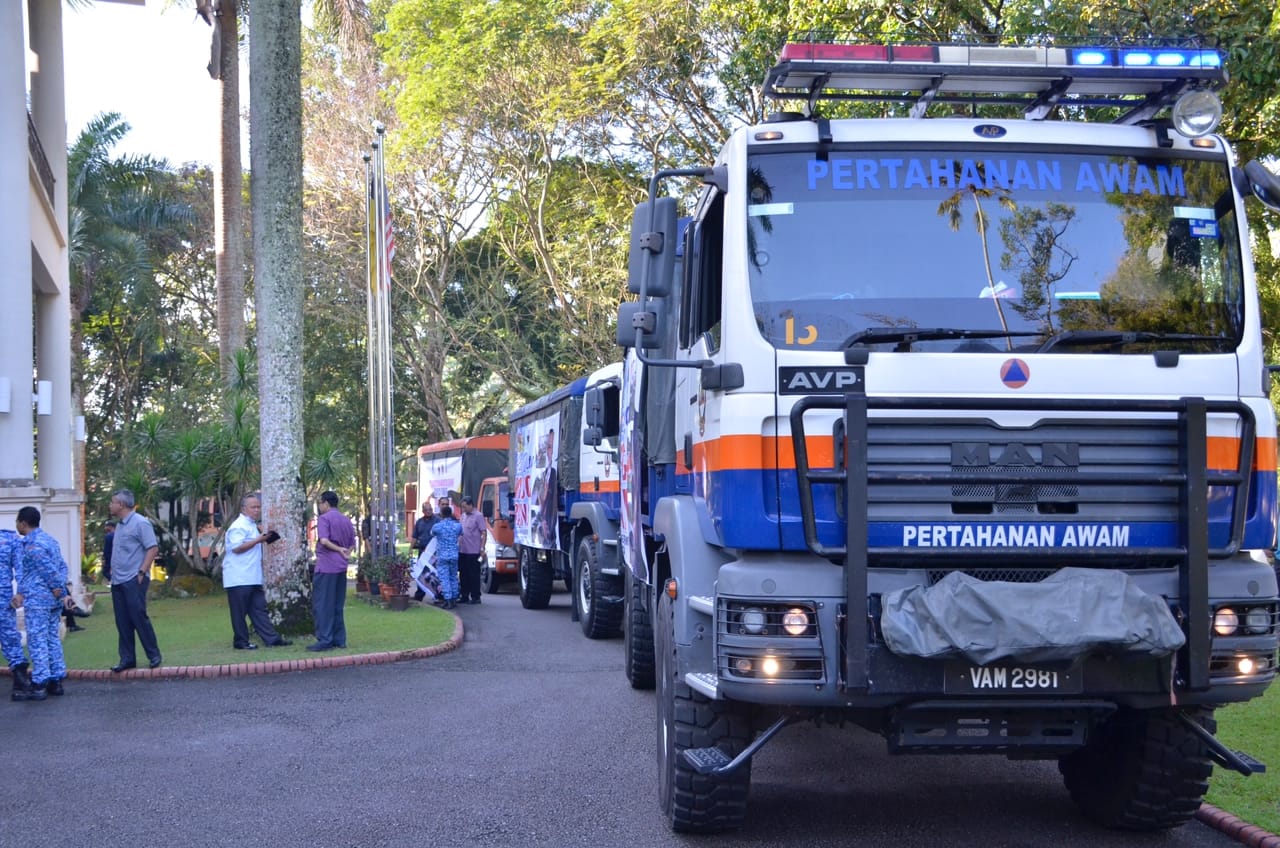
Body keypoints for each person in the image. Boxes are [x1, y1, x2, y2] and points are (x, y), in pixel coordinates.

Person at [221, 494, 292, 650]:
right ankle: (241, 642)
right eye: (253, 507)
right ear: (243, 509)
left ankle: (271, 639)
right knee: (239, 612)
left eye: (258, 507)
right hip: (238, 577)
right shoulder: (238, 526)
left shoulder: (252, 525)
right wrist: (258, 540)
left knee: (259, 609)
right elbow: (236, 548)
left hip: (252, 576)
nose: (257, 510)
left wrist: (264, 535)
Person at [15, 506, 68, 698]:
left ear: (23, 523)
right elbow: (62, 566)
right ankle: (56, 680)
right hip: (52, 601)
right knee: (52, 638)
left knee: (37, 640)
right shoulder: (50, 540)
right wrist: (60, 590)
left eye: (17, 522)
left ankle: (40, 683)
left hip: (38, 600)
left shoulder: (32, 544)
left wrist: (57, 587)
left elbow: (46, 568)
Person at [107, 489, 162, 672]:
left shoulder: (140, 523)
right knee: (122, 621)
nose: (110, 505)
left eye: (112, 502)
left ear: (121, 504)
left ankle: (153, 655)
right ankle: (127, 659)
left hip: (133, 579)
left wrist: (141, 572)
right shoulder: (120, 525)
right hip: (118, 581)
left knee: (138, 617)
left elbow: (152, 548)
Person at [308, 491, 355, 652]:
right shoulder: (345, 519)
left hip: (326, 567)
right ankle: (339, 639)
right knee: (337, 604)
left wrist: (338, 549)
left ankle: (325, 639)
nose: (320, 506)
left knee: (323, 604)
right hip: (341, 567)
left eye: (320, 503)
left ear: (326, 503)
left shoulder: (324, 518)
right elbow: (352, 543)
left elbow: (324, 540)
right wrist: (345, 552)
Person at [0, 526, 36, 701]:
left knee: (10, 637)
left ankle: (20, 679)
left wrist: (21, 592)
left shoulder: (9, 539)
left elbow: (21, 569)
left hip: (2, 599)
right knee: (10, 637)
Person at [430, 505, 462, 609]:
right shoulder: (457, 526)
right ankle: (454, 598)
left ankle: (447, 600)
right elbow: (461, 533)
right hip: (454, 555)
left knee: (444, 578)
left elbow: (432, 533)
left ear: (441, 514)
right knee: (453, 577)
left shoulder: (437, 526)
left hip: (442, 556)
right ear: (451, 513)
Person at [457, 495, 486, 604]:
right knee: (463, 574)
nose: (463, 509)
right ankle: (464, 595)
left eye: (465, 507)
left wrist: (482, 548)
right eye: (462, 507)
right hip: (463, 549)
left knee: (473, 574)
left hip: (473, 550)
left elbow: (483, 533)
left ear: (471, 505)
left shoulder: (478, 516)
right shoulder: (463, 516)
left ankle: (475, 596)